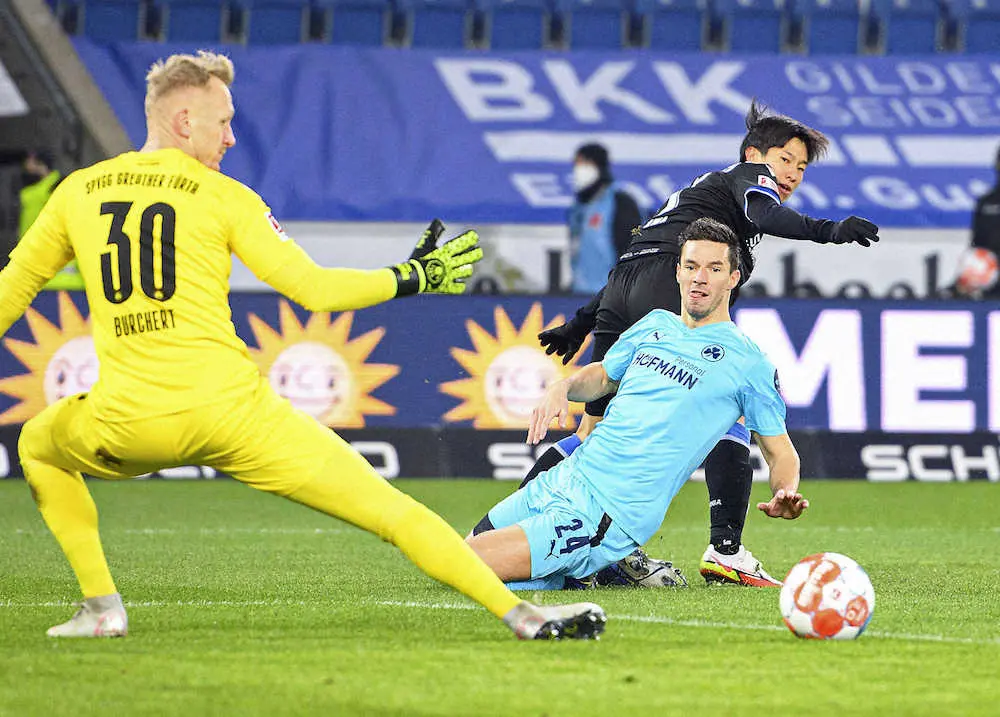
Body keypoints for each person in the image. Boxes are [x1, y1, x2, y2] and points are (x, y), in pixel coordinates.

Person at [0, 51, 605, 641]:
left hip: (126, 421)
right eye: (223, 121)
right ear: (184, 121)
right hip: (233, 417)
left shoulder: (77, 191)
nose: (231, 137)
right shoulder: (224, 195)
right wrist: (411, 276)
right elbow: (313, 289)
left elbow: (11, 293)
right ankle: (522, 616)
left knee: (37, 444)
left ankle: (102, 608)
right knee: (391, 510)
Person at [527, 100, 878, 588]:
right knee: (724, 401)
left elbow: (639, 259)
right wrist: (829, 231)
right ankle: (724, 550)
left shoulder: (702, 195)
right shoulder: (749, 180)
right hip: (663, 282)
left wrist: (582, 322)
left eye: (801, 167)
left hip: (624, 284)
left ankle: (528, 532)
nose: (792, 174)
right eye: (785, 160)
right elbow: (764, 213)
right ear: (754, 154)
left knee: (594, 430)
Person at [465, 219, 808, 590]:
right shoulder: (655, 324)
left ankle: (581, 567)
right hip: (564, 480)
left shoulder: (749, 363)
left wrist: (784, 491)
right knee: (457, 552)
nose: (700, 278)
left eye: (714, 269)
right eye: (691, 266)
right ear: (678, 272)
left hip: (604, 512)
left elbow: (780, 453)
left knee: (467, 565)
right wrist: (564, 386)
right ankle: (574, 573)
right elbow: (603, 376)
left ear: (733, 278)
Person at [568, 143, 642, 294]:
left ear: (598, 166)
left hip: (610, 295)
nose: (578, 169)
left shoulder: (620, 202)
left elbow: (632, 249)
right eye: (577, 164)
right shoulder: (578, 208)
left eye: (584, 163)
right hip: (580, 294)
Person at [16, 149, 83, 290]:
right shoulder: (34, 191)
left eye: (30, 164)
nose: (26, 168)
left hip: (63, 279)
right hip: (36, 271)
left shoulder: (59, 187)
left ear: (41, 165)